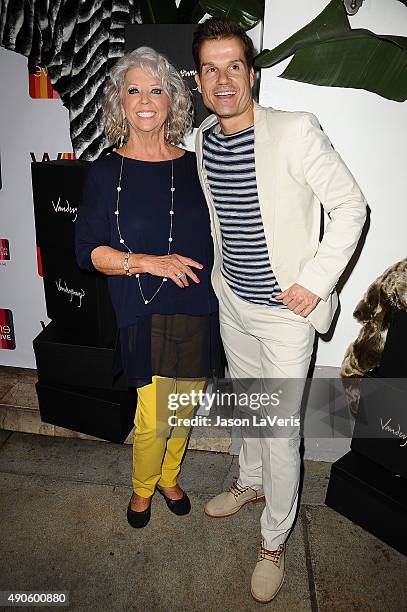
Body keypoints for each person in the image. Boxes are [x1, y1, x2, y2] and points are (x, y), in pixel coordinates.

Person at [192, 17, 367, 603]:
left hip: (284, 315)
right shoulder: (202, 141)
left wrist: (315, 282)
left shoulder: (294, 131)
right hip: (233, 301)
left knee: (281, 430)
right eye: (210, 69)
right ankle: (248, 482)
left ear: (251, 73)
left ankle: (273, 542)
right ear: (198, 79)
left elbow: (350, 205)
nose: (222, 81)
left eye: (233, 67)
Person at [75, 47, 221, 529]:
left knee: (183, 410)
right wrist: (148, 263)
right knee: (154, 415)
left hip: (196, 304)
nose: (145, 99)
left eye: (156, 89)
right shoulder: (102, 172)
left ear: (171, 100)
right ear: (119, 102)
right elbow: (88, 252)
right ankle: (142, 488)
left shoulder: (195, 165)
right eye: (133, 89)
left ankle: (168, 475)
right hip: (141, 308)